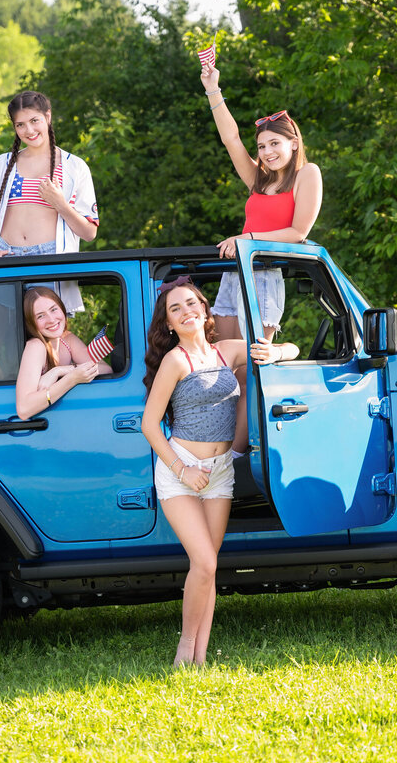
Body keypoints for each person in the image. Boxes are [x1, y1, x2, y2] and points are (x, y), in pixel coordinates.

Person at [141, 276, 298, 667]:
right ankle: (184, 651)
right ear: (169, 324)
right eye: (176, 308)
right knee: (206, 562)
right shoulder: (175, 361)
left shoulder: (225, 352)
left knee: (207, 566)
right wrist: (181, 467)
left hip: (220, 472)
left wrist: (274, 354)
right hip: (180, 471)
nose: (187, 311)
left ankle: (200, 656)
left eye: (192, 303)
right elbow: (149, 423)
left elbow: (291, 347)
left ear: (205, 310)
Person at [199, 62, 323, 342]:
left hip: (263, 272)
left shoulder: (307, 174)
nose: (267, 152)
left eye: (274, 143)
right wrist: (212, 89)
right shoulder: (260, 179)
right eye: (262, 146)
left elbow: (298, 233)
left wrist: (248, 238)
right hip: (234, 270)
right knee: (222, 357)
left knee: (250, 365)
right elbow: (231, 139)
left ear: (293, 143)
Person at [0, 90, 99, 314]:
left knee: (47, 335)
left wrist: (60, 203)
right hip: (5, 259)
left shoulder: (74, 167)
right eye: (20, 125)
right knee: (0, 337)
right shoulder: (3, 164)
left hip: (50, 261)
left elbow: (89, 232)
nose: (28, 130)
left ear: (47, 117)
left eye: (34, 121)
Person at [15, 286, 112, 420]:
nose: (51, 319)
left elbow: (105, 369)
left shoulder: (67, 339)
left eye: (53, 309)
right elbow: (24, 409)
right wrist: (72, 378)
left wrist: (60, 371)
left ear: (62, 309)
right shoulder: (36, 346)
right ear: (31, 323)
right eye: (40, 316)